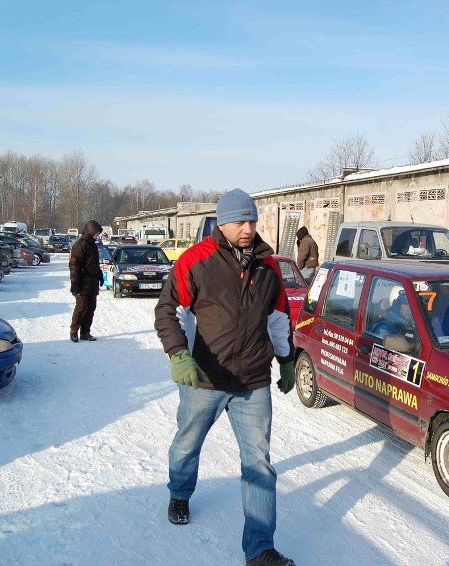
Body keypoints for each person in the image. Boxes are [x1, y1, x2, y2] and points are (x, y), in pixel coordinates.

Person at [154, 189, 296, 566]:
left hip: (252, 381)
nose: (248, 228)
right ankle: (180, 492)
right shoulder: (195, 260)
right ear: (222, 223)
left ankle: (260, 549)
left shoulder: (268, 267)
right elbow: (169, 309)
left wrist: (286, 359)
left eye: (252, 220)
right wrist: (179, 353)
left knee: (259, 463)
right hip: (205, 377)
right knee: (187, 444)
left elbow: (279, 316)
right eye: (240, 221)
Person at [68, 220, 103, 342]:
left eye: (98, 233)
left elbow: (95, 264)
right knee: (81, 308)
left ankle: (85, 332)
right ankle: (74, 331)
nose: (97, 236)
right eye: (96, 233)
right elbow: (74, 266)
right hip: (82, 282)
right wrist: (75, 284)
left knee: (91, 308)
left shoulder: (93, 245)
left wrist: (100, 275)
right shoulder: (79, 245)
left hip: (92, 282)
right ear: (90, 231)